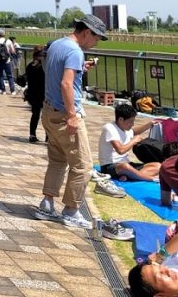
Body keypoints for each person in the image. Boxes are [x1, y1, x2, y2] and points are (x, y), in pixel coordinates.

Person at [33, 14, 108, 228]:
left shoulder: (57, 44)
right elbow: (66, 84)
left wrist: (80, 69)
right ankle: (71, 210)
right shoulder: (75, 51)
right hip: (66, 115)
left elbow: (56, 74)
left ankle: (47, 204)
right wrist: (72, 115)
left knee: (57, 161)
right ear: (86, 32)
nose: (95, 44)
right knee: (83, 165)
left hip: (48, 111)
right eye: (96, 38)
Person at [99, 103, 162, 181]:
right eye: (130, 122)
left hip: (127, 163)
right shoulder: (109, 128)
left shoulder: (125, 128)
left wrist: (149, 124)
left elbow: (134, 132)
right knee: (125, 167)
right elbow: (120, 150)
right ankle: (149, 178)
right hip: (109, 166)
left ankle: (130, 175)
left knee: (158, 166)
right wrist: (134, 141)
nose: (132, 124)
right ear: (121, 119)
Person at [25, 45, 46, 143]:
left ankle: (32, 134)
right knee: (45, 115)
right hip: (43, 93)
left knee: (35, 114)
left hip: (32, 93)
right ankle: (48, 136)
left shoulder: (29, 66)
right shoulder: (43, 67)